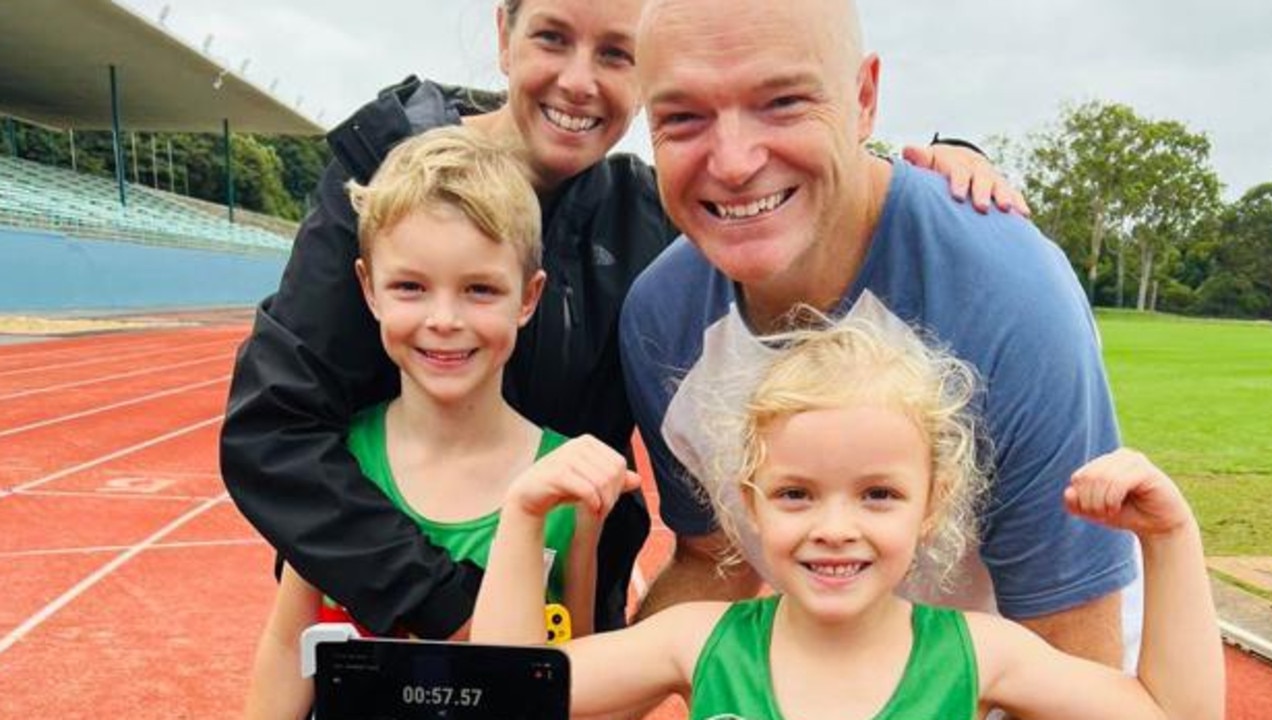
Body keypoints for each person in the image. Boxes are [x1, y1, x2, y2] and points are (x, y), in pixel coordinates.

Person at [220, 0, 1019, 641]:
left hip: (565, 621)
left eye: (616, 54)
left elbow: (791, 196)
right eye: (552, 38)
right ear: (503, 34)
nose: (578, 81)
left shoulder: (650, 217)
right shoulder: (385, 178)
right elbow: (271, 434)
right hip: (387, 625)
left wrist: (943, 162)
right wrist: (450, 606)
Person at [619, 0, 1137, 670]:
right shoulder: (663, 315)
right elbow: (711, 563)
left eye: (781, 102)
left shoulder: (1009, 299)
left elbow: (1074, 652)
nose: (735, 161)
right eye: (683, 116)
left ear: (864, 99)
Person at [474, 299, 1224, 720]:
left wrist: (1172, 538)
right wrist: (521, 518)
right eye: (798, 493)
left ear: (931, 507)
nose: (836, 527)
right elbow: (501, 704)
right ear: (751, 507)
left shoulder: (978, 652)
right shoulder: (699, 643)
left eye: (879, 494)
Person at [243, 126, 637, 720]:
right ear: (368, 290)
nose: (444, 319)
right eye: (410, 287)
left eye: (480, 289)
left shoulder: (567, 490)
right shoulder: (338, 469)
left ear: (528, 298)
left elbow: (570, 677)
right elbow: (285, 643)